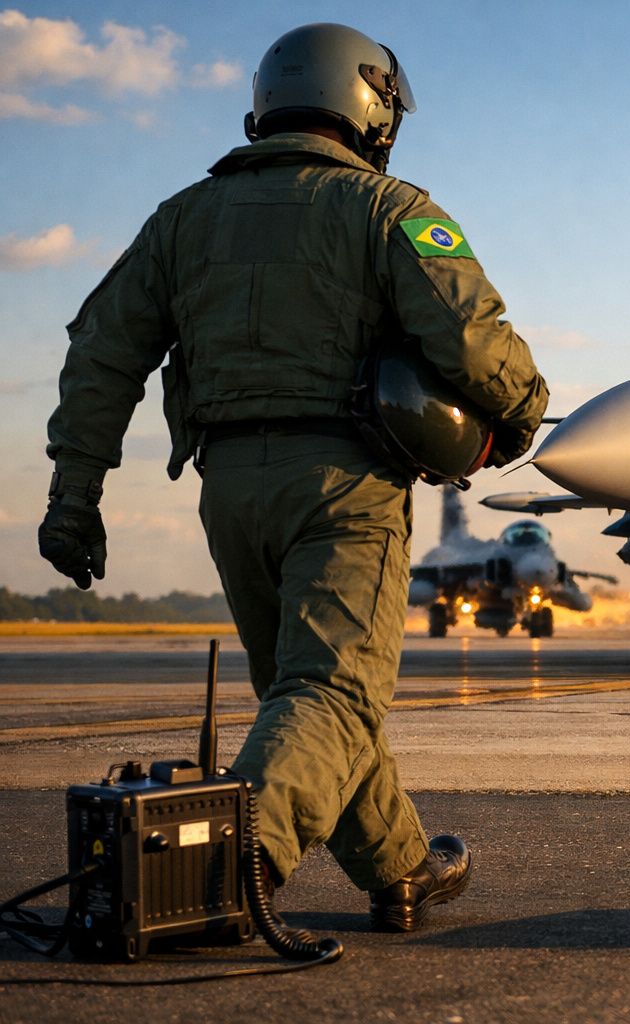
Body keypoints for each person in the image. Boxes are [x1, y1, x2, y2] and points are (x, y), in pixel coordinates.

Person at [37, 23, 549, 932]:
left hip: (229, 490)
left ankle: (397, 868)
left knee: (309, 694)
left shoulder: (181, 218)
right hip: (343, 486)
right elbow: (470, 336)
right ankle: (225, 877)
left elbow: (101, 352)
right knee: (334, 692)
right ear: (369, 105)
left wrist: (75, 492)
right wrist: (521, 407)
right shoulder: (391, 210)